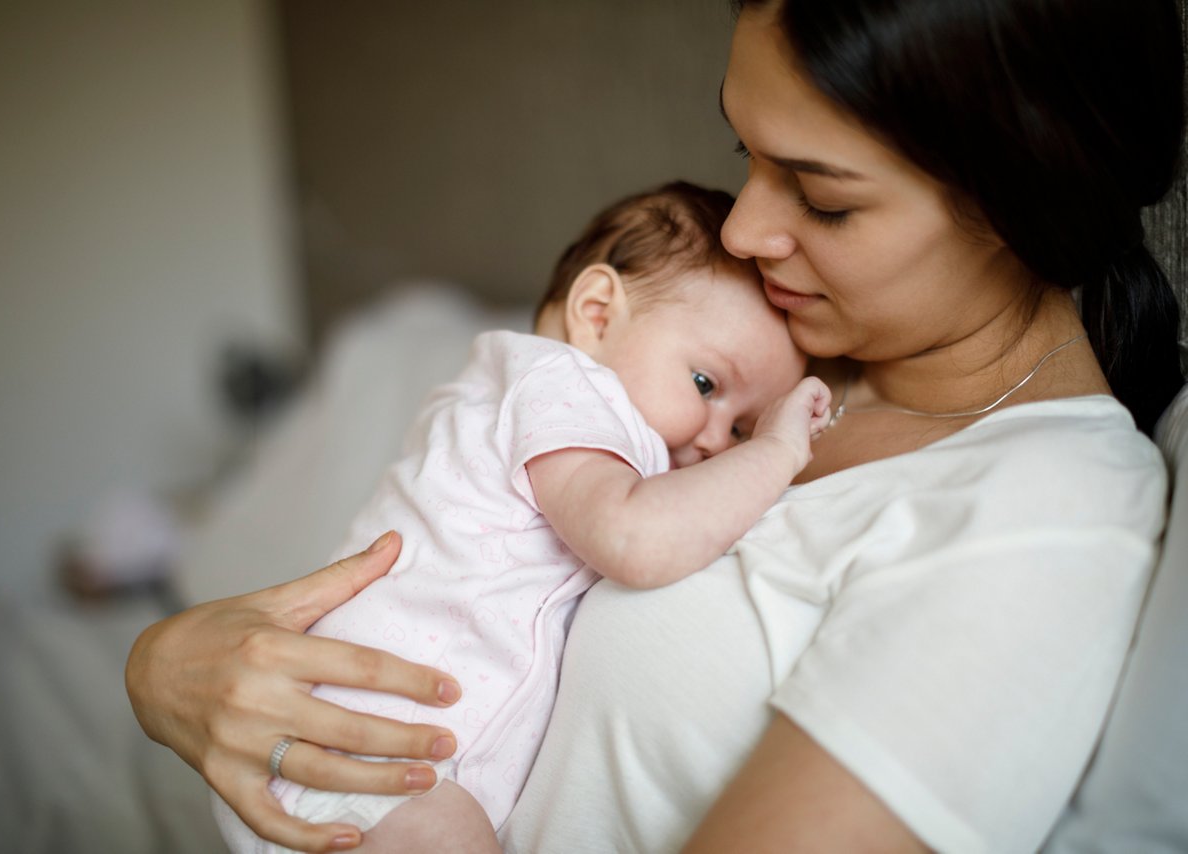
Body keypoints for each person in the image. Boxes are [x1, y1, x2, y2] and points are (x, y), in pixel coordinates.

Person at [125, 0, 1185, 851]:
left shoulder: (1040, 512)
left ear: (1015, 198)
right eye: (746, 153)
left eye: (821, 199)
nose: (743, 227)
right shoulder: (768, 338)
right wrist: (163, 667)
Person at [211, 181, 830, 853]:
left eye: (742, 427)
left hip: (378, 770)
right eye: (706, 385)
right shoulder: (560, 389)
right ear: (596, 313)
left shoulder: (548, 406)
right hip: (362, 764)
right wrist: (775, 449)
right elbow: (635, 539)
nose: (717, 441)